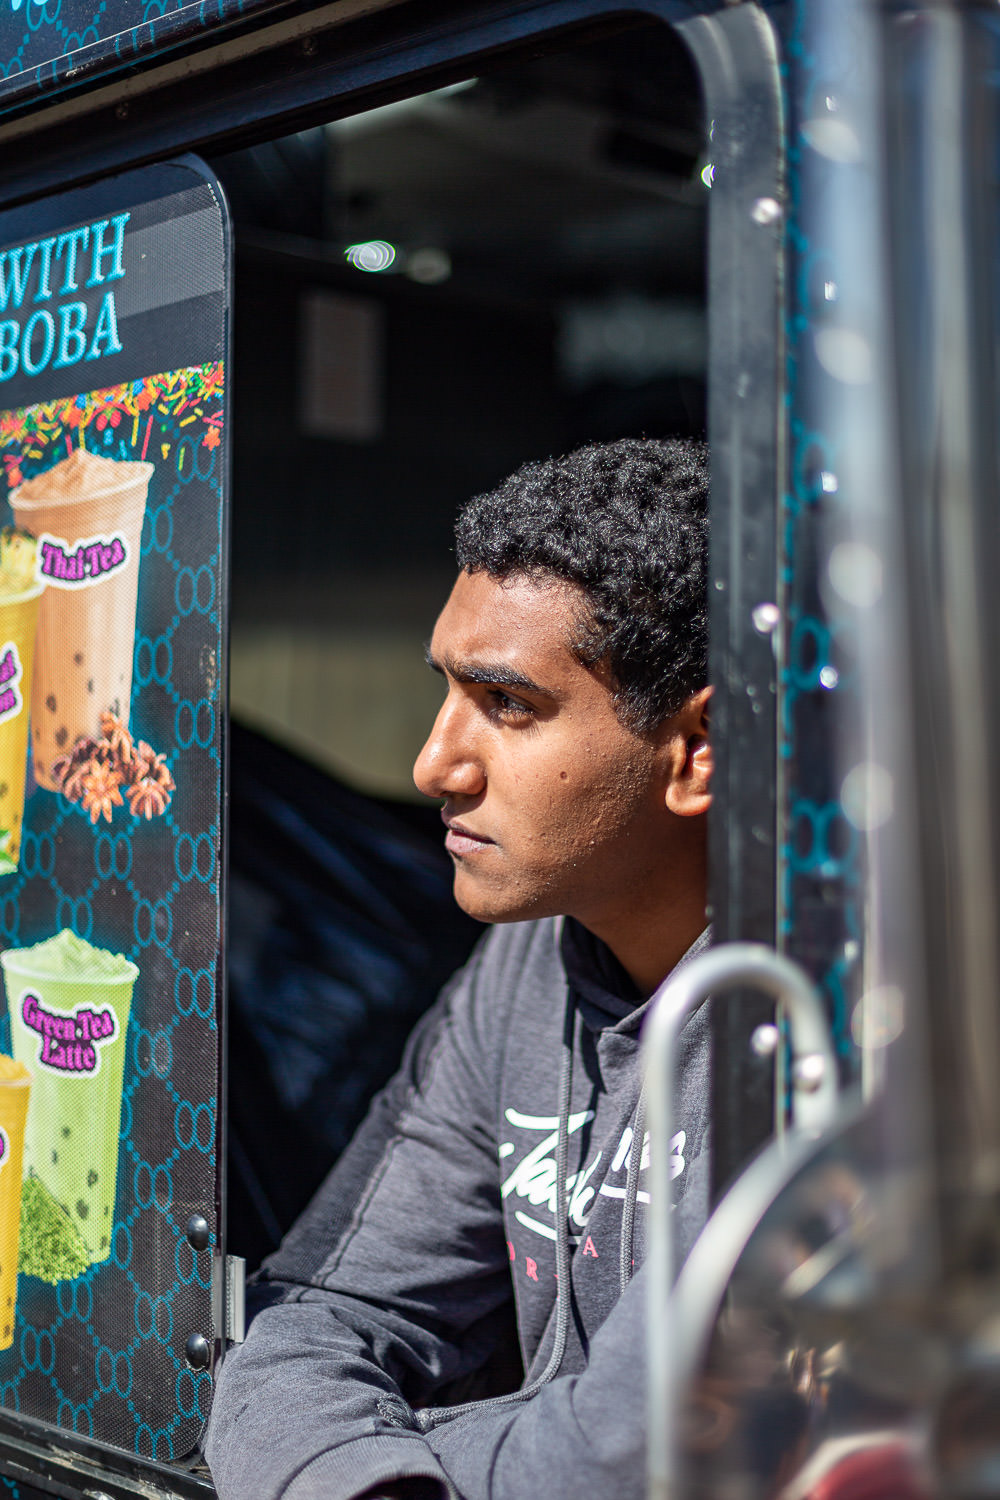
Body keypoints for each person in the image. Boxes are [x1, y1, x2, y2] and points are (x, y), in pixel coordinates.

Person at [206, 435, 713, 1500]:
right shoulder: (525, 959)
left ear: (699, 750)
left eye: (508, 704)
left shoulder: (825, 1016)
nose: (433, 763)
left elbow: (638, 1451)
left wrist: (384, 1451)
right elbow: (321, 1314)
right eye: (444, 690)